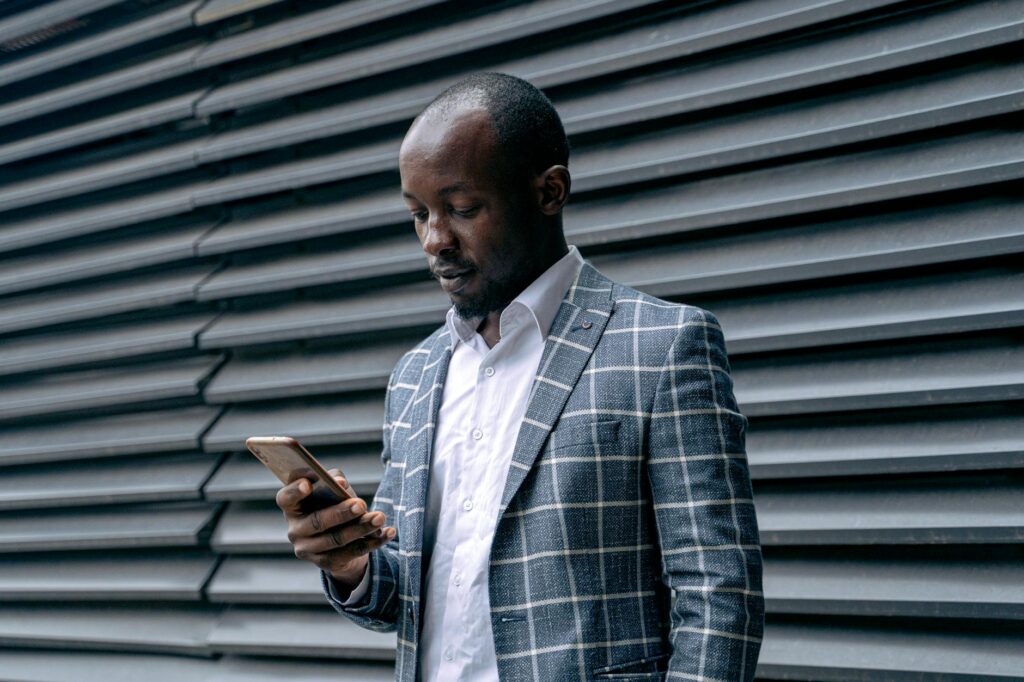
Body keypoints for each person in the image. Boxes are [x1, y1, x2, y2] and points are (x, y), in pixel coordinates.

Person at [276, 71, 763, 682]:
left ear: (549, 191)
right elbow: (407, 599)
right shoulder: (415, 375)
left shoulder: (663, 346)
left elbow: (719, 599)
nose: (434, 240)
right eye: (418, 214)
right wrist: (351, 563)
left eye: (461, 209)